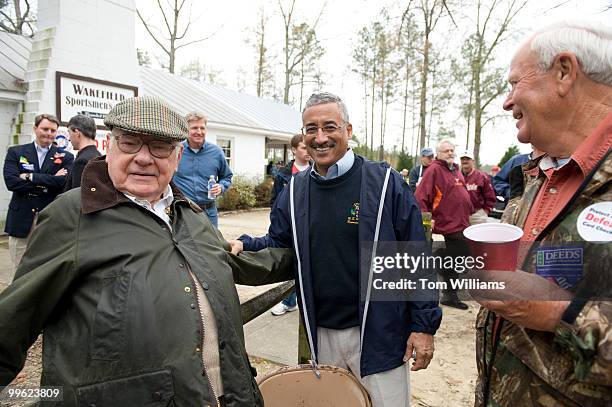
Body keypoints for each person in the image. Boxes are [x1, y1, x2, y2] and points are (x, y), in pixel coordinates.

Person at [0, 96, 293, 406]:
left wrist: (306, 259)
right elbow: (13, 321)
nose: (143, 158)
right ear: (109, 147)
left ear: (177, 156)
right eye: (129, 143)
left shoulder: (190, 214)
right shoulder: (71, 216)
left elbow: (234, 264)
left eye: (160, 147)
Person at [233, 92, 441, 406]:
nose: (320, 137)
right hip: (322, 333)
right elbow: (279, 242)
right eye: (311, 129)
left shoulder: (385, 183)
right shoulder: (294, 191)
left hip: (379, 332)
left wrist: (423, 326)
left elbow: (415, 258)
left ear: (348, 130)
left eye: (330, 127)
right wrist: (245, 244)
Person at [474, 21, 612, 406]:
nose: (505, 101)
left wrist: (562, 313)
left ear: (564, 72)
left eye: (514, 83)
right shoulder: (536, 175)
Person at [2, 113, 74, 276]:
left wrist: (30, 176)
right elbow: (11, 183)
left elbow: (62, 183)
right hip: (21, 219)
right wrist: (49, 181)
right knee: (19, 269)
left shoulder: (66, 157)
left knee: (45, 268)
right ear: (35, 129)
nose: (49, 133)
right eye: (45, 129)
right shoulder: (16, 152)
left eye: (53, 130)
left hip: (49, 218)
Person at [415, 140, 473, 310]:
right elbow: (421, 196)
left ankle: (449, 293)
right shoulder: (434, 170)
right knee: (460, 256)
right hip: (446, 223)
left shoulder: (456, 169)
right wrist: (427, 219)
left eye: (452, 150)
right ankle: (439, 262)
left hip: (461, 221)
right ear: (438, 154)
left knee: (456, 259)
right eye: (446, 151)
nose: (450, 153)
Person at [269, 133, 311, 316]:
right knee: (290, 263)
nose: (307, 150)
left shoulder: (319, 170)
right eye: (303, 147)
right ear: (294, 150)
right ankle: (288, 301)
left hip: (310, 227)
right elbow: (275, 202)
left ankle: (306, 302)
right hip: (290, 227)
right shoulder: (283, 175)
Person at [173, 111, 232, 228]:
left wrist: (221, 186)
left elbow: (227, 177)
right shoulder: (176, 151)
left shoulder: (216, 152)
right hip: (183, 212)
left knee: (213, 245)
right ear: (186, 130)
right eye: (194, 128)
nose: (199, 132)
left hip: (209, 213)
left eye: (202, 128)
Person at [63, 114, 101, 191]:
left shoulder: (81, 161)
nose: (69, 139)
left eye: (69, 133)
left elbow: (77, 196)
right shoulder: (98, 155)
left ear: (77, 133)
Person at [459, 151, 496, 225]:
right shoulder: (456, 176)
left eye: (467, 159)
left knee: (476, 236)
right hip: (460, 215)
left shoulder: (481, 176)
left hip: (477, 215)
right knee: (460, 236)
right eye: (463, 159)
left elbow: (490, 196)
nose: (465, 161)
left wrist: (485, 210)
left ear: (473, 161)